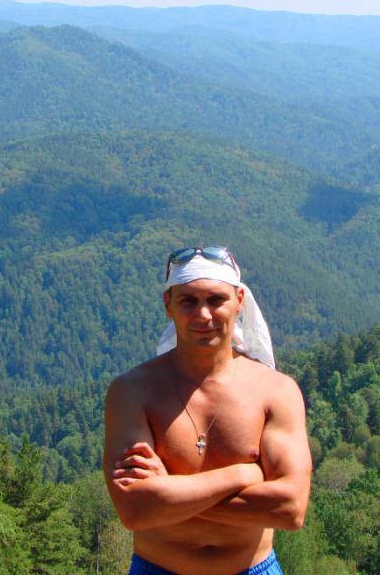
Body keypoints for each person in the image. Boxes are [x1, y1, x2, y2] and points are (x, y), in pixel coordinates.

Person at [104, 246, 312, 575]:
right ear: (168, 304)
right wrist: (242, 474)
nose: (203, 315)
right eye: (188, 301)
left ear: (239, 301)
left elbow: (290, 509)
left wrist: (169, 493)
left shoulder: (276, 391)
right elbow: (135, 509)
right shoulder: (132, 392)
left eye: (216, 300)